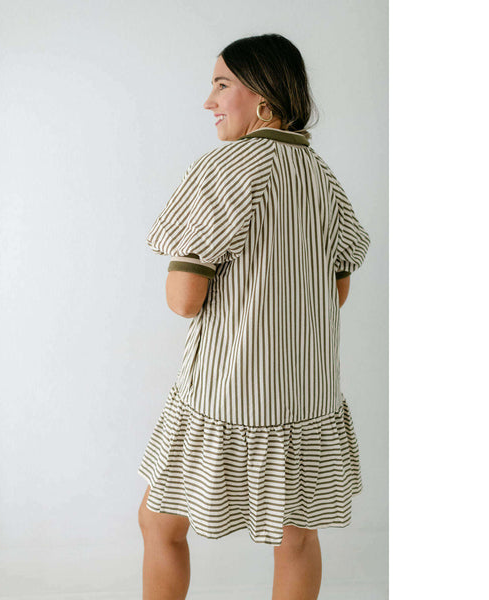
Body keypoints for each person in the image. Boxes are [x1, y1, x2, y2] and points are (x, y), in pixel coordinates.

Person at [137, 33, 371, 600]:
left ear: (263, 98)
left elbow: (184, 299)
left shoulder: (224, 169)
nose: (209, 101)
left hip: (226, 394)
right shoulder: (320, 175)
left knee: (159, 522)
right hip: (306, 396)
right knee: (296, 538)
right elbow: (338, 288)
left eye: (221, 85)